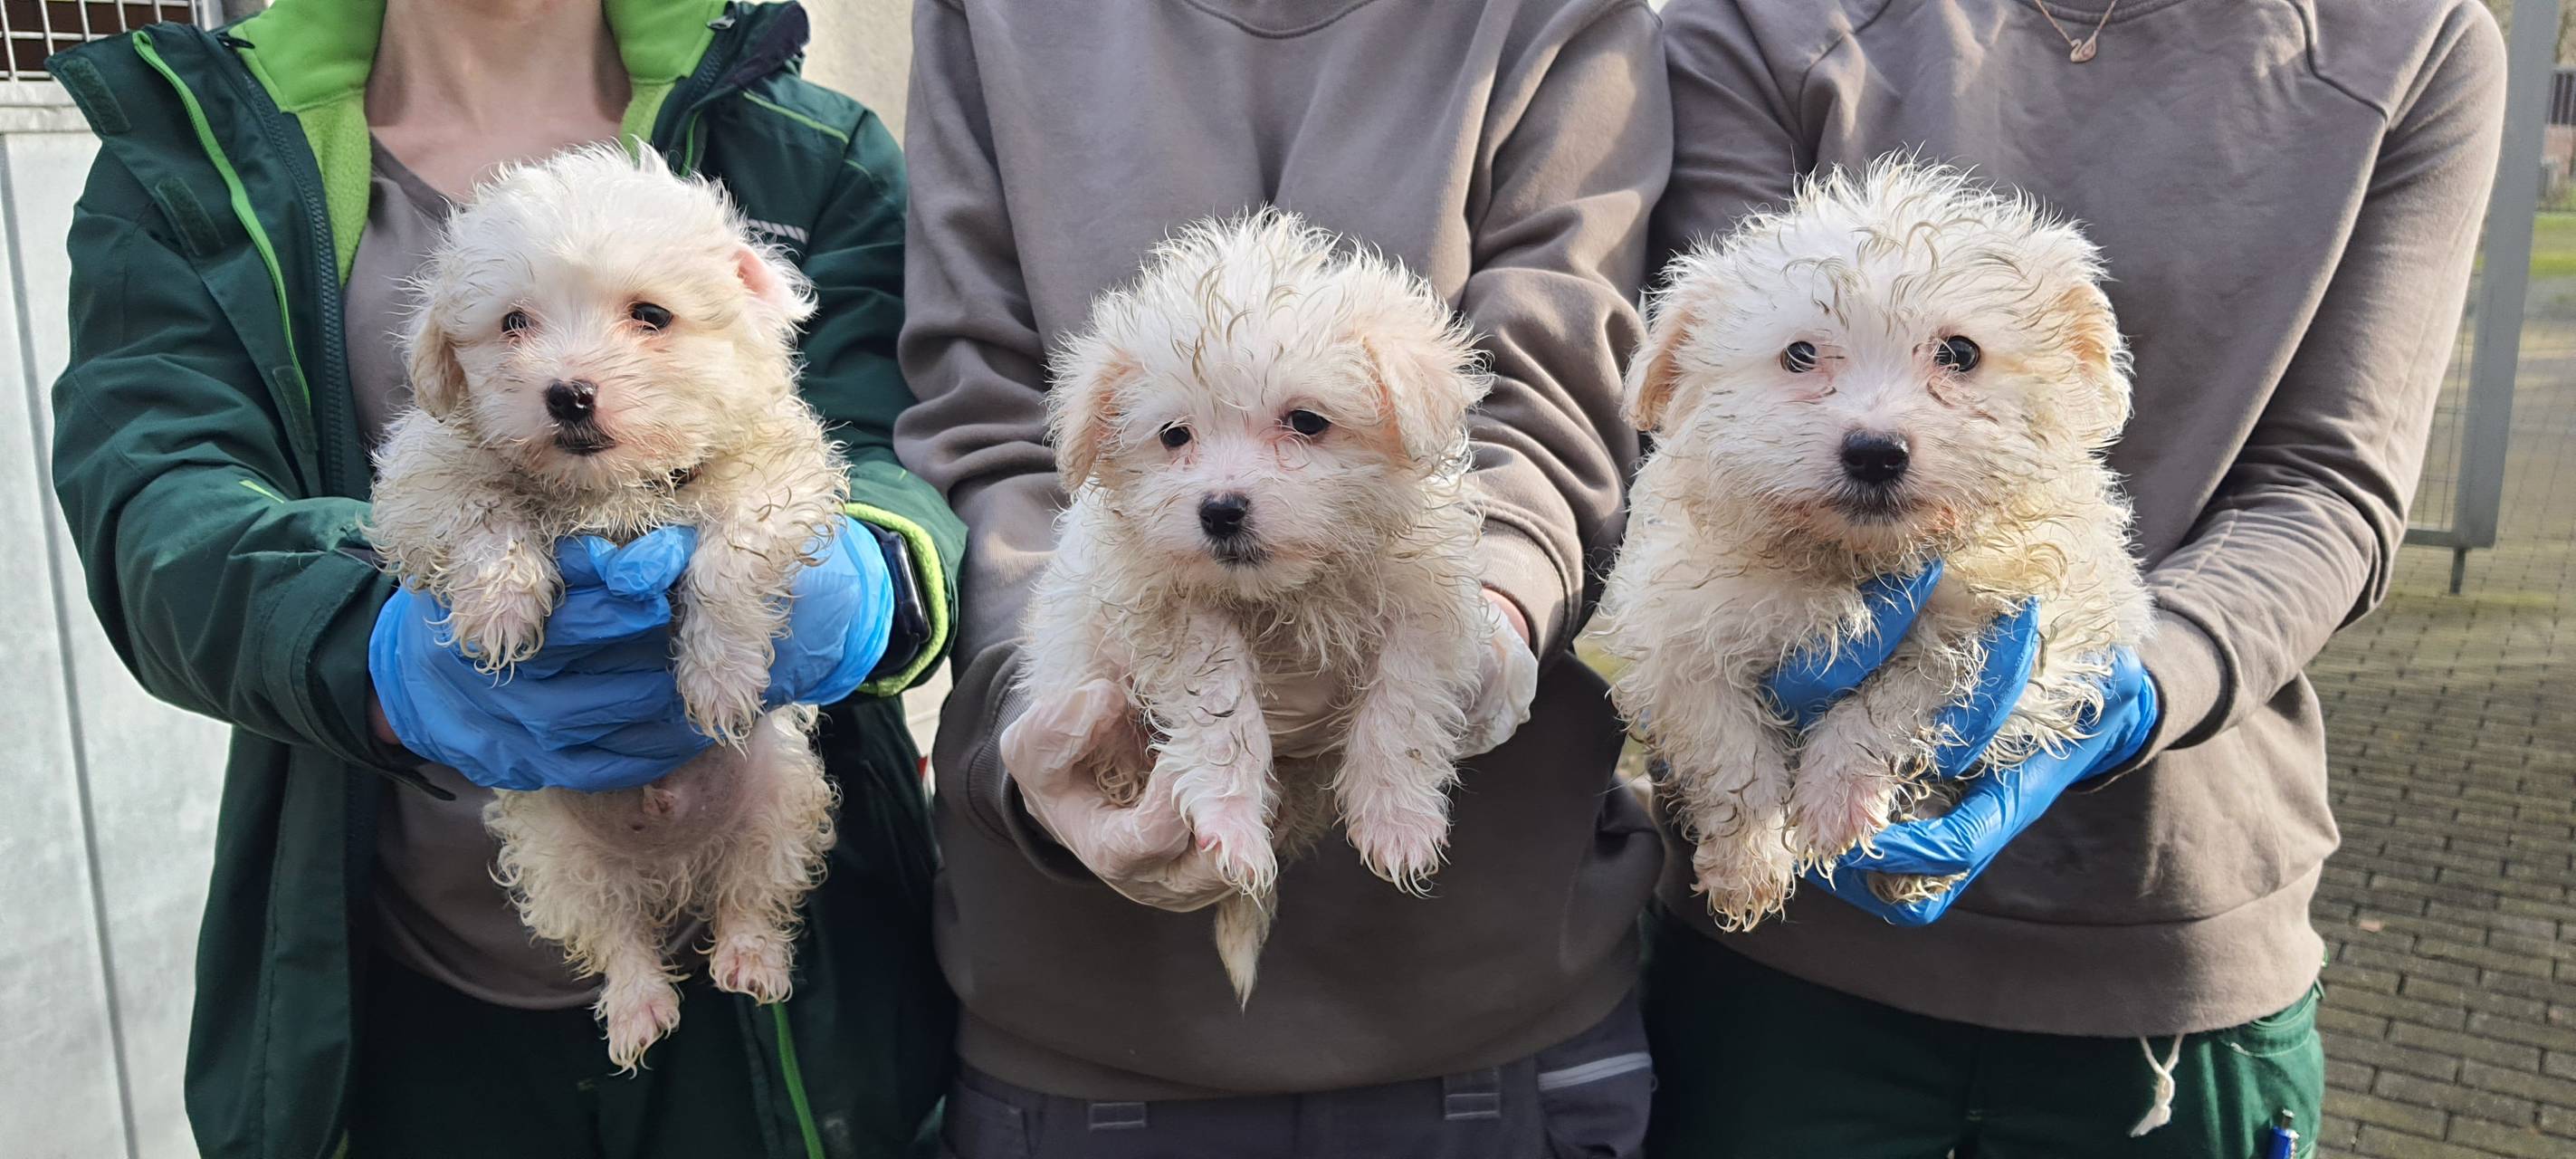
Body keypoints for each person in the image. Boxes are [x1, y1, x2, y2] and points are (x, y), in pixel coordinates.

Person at [46, 1, 963, 1155]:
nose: (574, 370)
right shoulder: (188, 146)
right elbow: (154, 493)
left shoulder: (806, 146)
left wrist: (874, 572)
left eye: (643, 316)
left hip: (809, 1012)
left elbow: (925, 440)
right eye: (518, 324)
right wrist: (372, 648)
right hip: (396, 991)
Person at [1641, 0, 2505, 1154]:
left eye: (1954, 358)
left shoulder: (2410, 38)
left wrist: (2140, 681)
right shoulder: (1763, 19)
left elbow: (2323, 480)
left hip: (2165, 932)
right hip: (1778, 952)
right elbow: (1704, 391)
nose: (1881, 419)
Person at [892, 0, 1670, 1154]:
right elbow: (986, 423)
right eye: (1178, 442)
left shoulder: (1564, 20)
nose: (1225, 486)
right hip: (1078, 1005)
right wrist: (1046, 719)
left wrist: (1481, 624)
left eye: (1302, 423)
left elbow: (1552, 406)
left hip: (1492, 997)